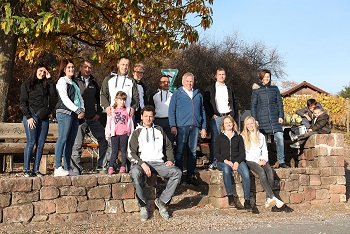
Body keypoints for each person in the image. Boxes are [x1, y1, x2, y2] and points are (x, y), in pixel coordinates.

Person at [128, 105, 181, 221]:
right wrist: (142, 163)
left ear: (154, 117)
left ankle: (162, 202)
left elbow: (168, 146)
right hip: (142, 163)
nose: (148, 118)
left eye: (150, 116)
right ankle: (143, 205)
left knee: (177, 172)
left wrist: (170, 159)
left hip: (159, 163)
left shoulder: (159, 129)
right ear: (141, 116)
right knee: (135, 173)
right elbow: (130, 153)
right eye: (146, 116)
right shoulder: (136, 132)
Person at [168, 72, 207, 185]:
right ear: (182, 82)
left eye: (191, 81)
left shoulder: (198, 94)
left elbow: (202, 111)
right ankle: (179, 175)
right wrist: (173, 125)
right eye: (187, 81)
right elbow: (171, 110)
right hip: (181, 126)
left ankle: (190, 175)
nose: (189, 83)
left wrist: (203, 127)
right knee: (180, 151)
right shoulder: (177, 93)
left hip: (195, 126)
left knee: (193, 152)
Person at [71, 60, 108, 174]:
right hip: (79, 119)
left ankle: (101, 166)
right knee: (76, 144)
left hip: (92, 118)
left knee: (104, 139)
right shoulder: (74, 82)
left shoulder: (94, 83)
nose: (87, 69)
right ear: (81, 68)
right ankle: (76, 169)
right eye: (85, 67)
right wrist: (76, 112)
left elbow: (99, 100)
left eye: (90, 68)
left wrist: (98, 113)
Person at [20, 62, 57, 177]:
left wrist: (50, 80)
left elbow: (54, 96)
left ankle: (36, 170)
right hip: (31, 115)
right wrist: (29, 117)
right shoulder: (26, 84)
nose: (42, 73)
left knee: (41, 144)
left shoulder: (46, 84)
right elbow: (23, 102)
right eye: (40, 71)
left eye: (44, 72)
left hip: (44, 117)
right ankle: (26, 169)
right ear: (35, 71)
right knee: (31, 142)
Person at [241, 116, 284, 209]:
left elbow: (264, 149)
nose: (250, 125)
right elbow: (245, 153)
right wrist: (257, 161)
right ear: (245, 125)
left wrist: (264, 159)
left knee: (270, 172)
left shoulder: (261, 136)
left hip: (262, 160)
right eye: (248, 124)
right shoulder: (243, 136)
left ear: (255, 124)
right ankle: (273, 197)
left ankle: (268, 199)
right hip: (250, 160)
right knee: (261, 172)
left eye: (251, 123)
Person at [251, 69, 289, 168]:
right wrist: (255, 119)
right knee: (263, 142)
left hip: (275, 118)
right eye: (265, 77)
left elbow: (279, 103)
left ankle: (281, 161)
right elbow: (253, 105)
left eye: (268, 77)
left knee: (280, 138)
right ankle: (265, 161)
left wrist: (281, 115)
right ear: (261, 78)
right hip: (262, 119)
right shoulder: (256, 90)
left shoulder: (275, 88)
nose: (267, 78)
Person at [54, 59, 85, 176]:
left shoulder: (74, 83)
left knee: (70, 142)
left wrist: (82, 109)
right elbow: (65, 98)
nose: (71, 69)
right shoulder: (62, 81)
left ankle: (67, 167)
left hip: (75, 115)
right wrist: (77, 109)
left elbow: (80, 98)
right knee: (62, 138)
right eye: (69, 68)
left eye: (72, 67)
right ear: (64, 69)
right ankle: (58, 167)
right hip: (64, 113)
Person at [215, 115, 252, 210]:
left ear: (233, 123)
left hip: (237, 160)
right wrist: (225, 161)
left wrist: (237, 162)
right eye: (226, 122)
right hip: (223, 162)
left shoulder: (238, 137)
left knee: (246, 174)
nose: (228, 124)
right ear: (223, 125)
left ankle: (247, 201)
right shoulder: (219, 137)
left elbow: (242, 153)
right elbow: (216, 153)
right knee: (226, 170)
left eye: (230, 122)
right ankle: (230, 196)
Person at [204, 68, 238, 170]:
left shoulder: (229, 88)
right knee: (215, 140)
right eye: (219, 74)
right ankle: (213, 162)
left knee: (229, 139)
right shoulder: (210, 88)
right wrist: (211, 114)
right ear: (216, 76)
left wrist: (232, 114)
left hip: (228, 116)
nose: (221, 76)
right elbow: (206, 103)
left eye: (223, 74)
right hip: (216, 117)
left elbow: (234, 102)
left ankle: (227, 160)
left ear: (225, 76)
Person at [105, 91, 134, 174]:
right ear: (116, 100)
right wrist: (107, 134)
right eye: (120, 100)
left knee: (124, 151)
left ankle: (123, 166)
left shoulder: (127, 110)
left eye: (124, 100)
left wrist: (132, 133)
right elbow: (108, 123)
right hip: (115, 134)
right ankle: (111, 167)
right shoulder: (112, 110)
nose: (122, 102)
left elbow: (130, 123)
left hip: (124, 134)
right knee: (114, 151)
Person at [149, 75, 174, 144]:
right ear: (160, 83)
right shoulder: (154, 95)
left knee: (169, 142)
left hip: (170, 121)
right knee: (158, 142)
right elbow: (150, 108)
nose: (166, 84)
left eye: (168, 82)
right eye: (163, 82)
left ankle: (169, 155)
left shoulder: (173, 95)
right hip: (157, 121)